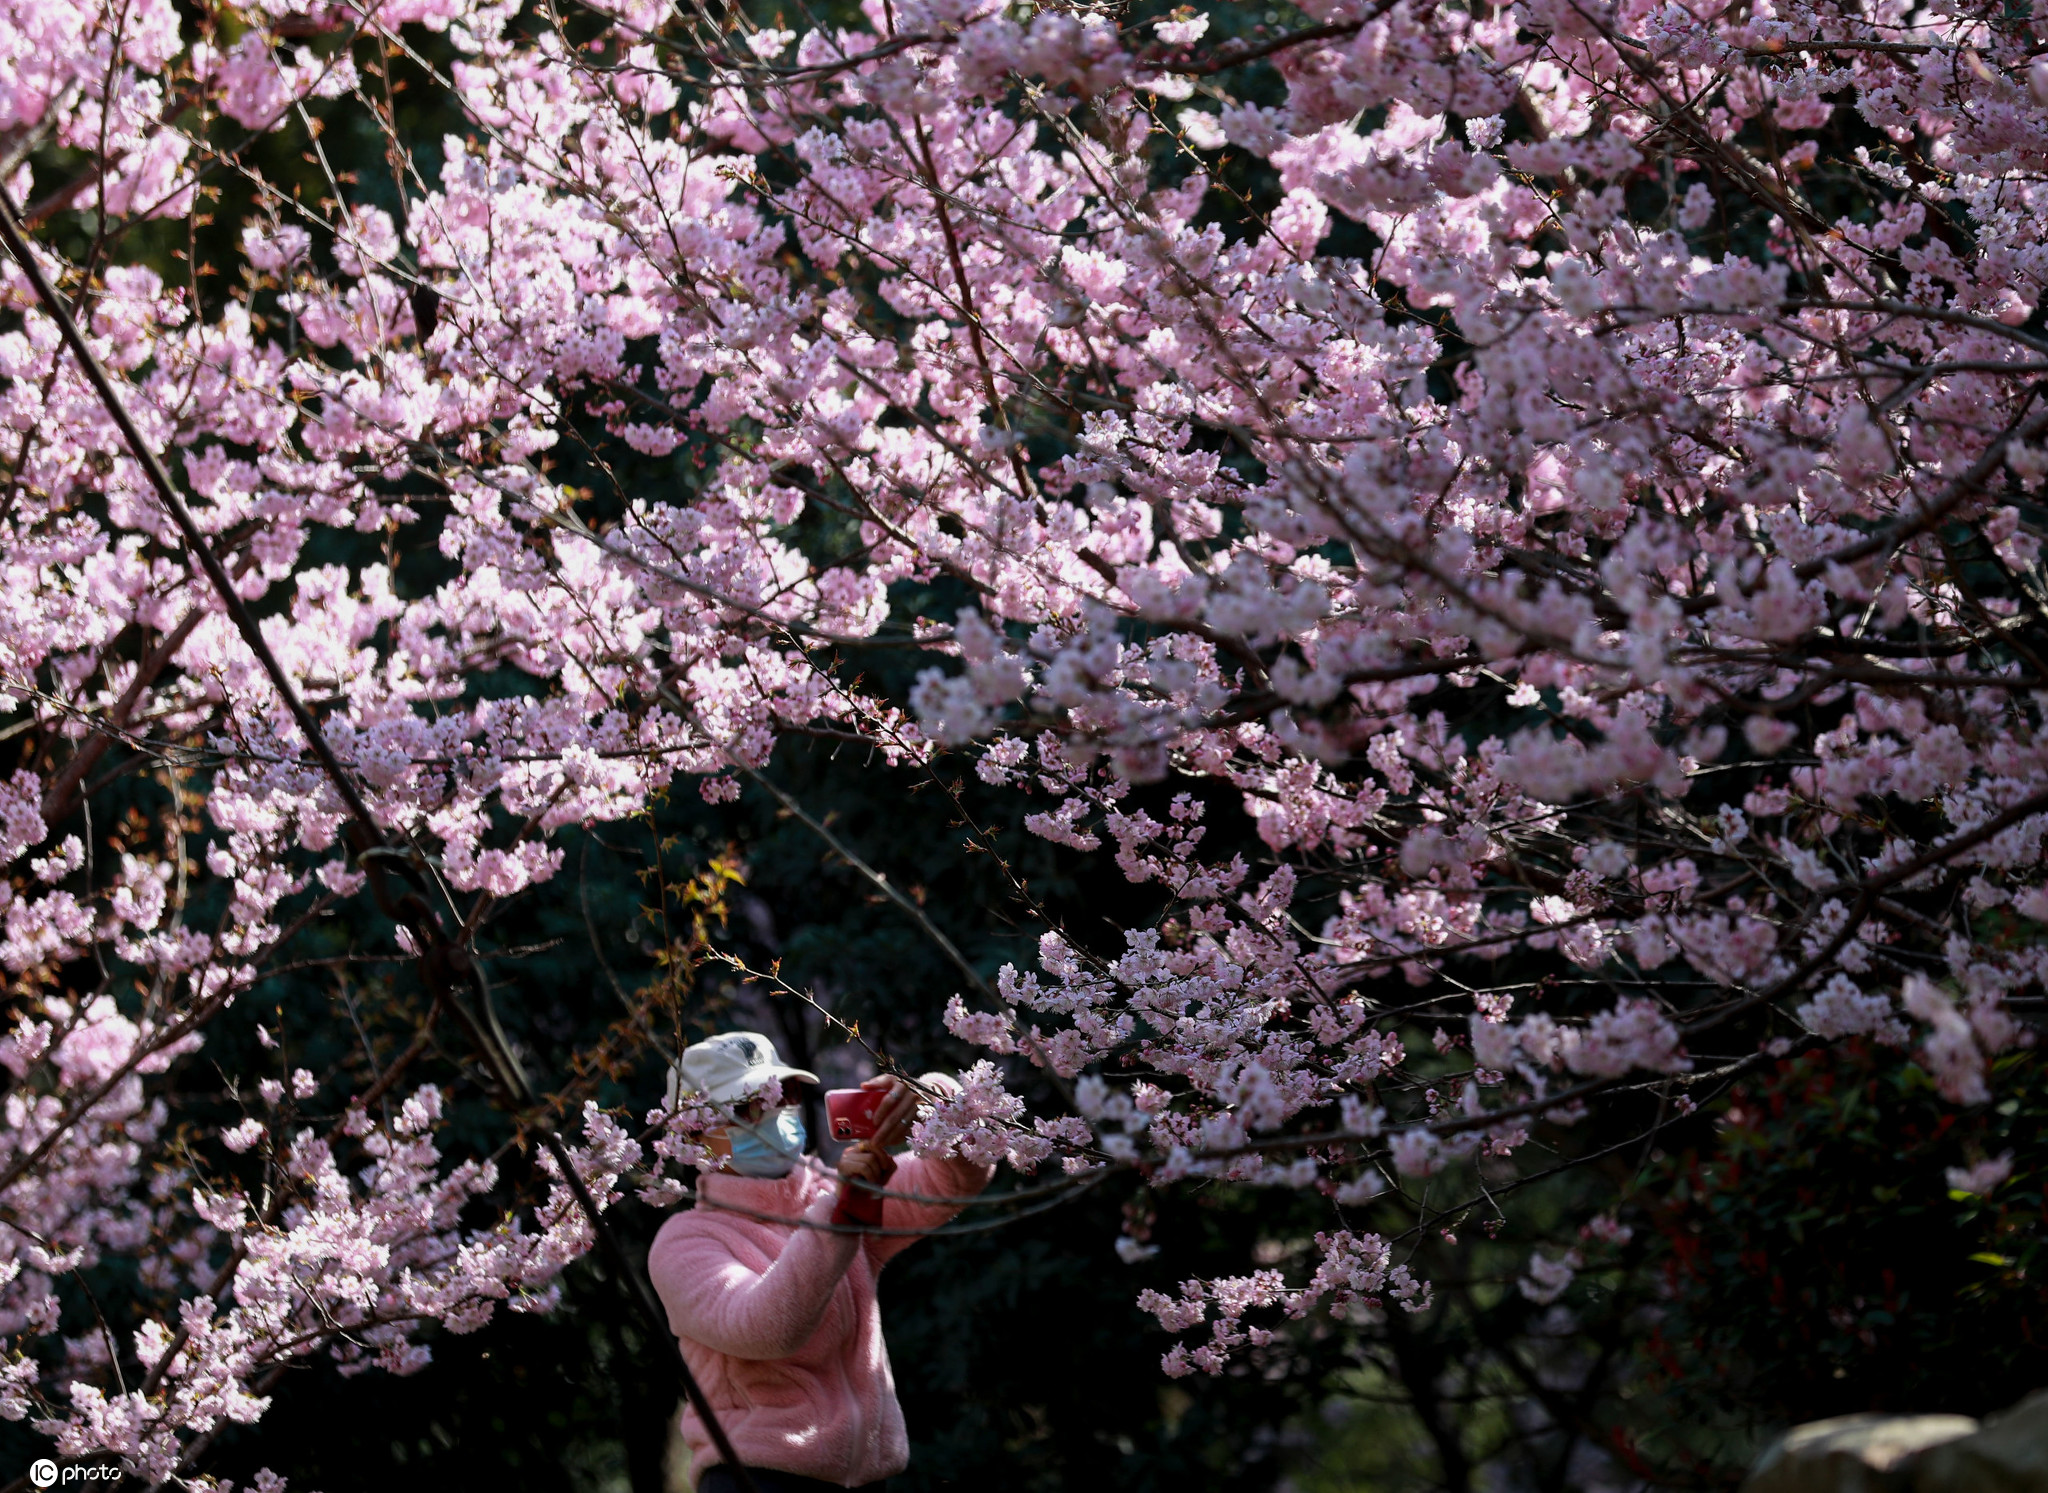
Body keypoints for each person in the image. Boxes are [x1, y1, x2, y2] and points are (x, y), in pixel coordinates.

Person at [648, 1031, 994, 1492]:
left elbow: (953, 1182)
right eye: (747, 1107)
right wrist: (842, 1214)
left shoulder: (834, 1193)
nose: (775, 1113)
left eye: (783, 1095)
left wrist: (936, 1105)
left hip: (869, 1478)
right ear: (694, 1134)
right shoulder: (684, 1242)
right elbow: (765, 1329)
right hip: (756, 1478)